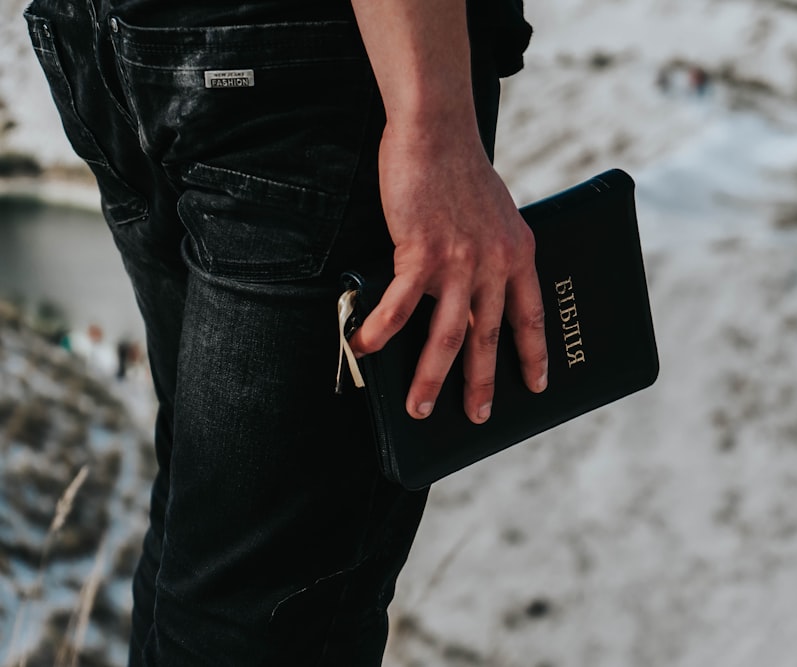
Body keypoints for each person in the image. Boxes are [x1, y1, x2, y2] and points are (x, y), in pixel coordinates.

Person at [24, 0, 549, 664]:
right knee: (260, 617)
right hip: (307, 68)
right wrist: (431, 119)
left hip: (115, 39)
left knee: (211, 561)